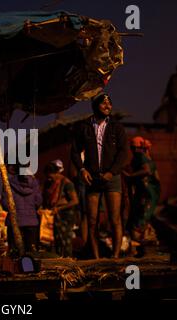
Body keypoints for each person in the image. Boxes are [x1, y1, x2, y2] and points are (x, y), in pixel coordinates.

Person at [71, 92, 129, 259]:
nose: (107, 106)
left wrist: (112, 172)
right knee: (92, 221)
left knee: (115, 219)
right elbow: (74, 152)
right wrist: (82, 170)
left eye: (109, 104)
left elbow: (123, 152)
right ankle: (96, 258)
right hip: (92, 179)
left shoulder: (116, 127)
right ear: (95, 106)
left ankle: (115, 256)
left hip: (112, 178)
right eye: (104, 104)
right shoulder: (84, 127)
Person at [124, 137, 160, 246]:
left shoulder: (141, 157)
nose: (135, 150)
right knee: (139, 215)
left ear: (141, 147)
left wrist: (130, 176)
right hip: (146, 191)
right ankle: (141, 241)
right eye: (133, 148)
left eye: (137, 148)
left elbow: (147, 171)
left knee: (141, 217)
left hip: (147, 191)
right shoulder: (144, 157)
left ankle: (142, 241)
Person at [41, 160, 79, 257]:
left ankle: (68, 261)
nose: (49, 178)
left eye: (51, 176)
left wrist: (60, 208)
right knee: (56, 240)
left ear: (56, 173)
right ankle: (58, 260)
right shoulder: (49, 183)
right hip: (53, 216)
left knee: (65, 240)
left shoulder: (67, 183)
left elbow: (75, 201)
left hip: (65, 216)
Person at [1, 164, 42, 253]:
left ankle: (16, 267)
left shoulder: (8, 183)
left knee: (14, 253)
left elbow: (5, 204)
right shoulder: (34, 183)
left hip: (14, 222)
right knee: (31, 252)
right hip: (31, 222)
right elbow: (38, 201)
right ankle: (29, 267)